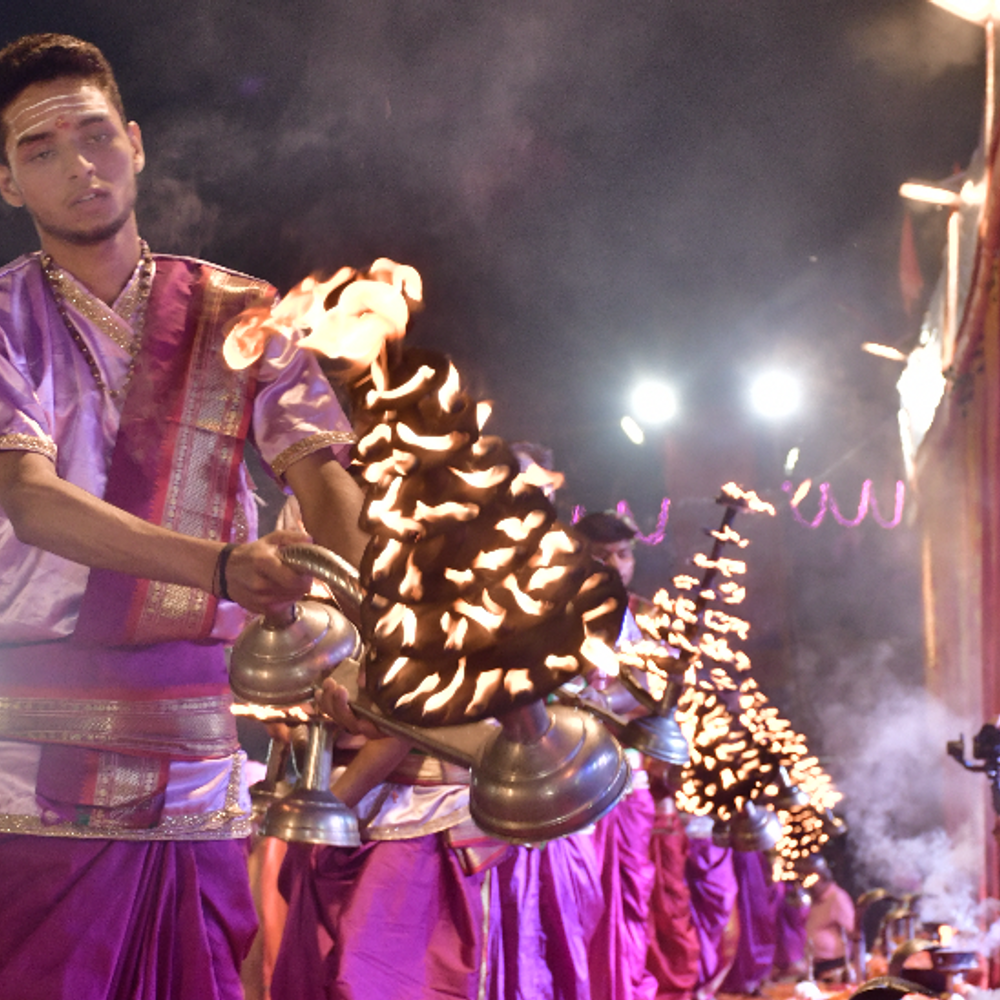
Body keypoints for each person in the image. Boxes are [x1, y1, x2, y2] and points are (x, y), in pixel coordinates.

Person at [0, 32, 372, 1000]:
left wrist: (335, 607)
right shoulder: (2, 322)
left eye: (95, 134)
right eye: (40, 149)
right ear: (6, 183)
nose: (80, 165)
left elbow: (325, 477)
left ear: (135, 140)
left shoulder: (241, 312)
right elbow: (30, 501)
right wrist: (220, 567)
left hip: (202, 753)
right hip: (29, 753)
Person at [803, 855, 855, 981]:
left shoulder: (838, 898)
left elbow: (852, 931)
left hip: (834, 965)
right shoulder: (810, 899)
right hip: (814, 964)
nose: (809, 885)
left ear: (823, 877)